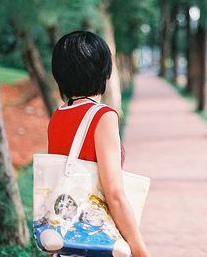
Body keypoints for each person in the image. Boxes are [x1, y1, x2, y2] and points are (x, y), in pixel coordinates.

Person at [48, 30, 151, 257]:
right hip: (96, 240)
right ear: (103, 71)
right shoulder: (102, 116)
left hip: (66, 240)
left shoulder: (58, 116)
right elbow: (114, 193)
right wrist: (141, 250)